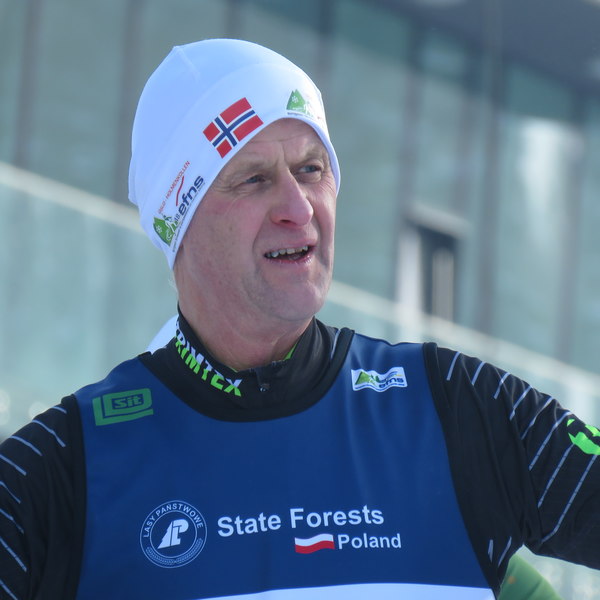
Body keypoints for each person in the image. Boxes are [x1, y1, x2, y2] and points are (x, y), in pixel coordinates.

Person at [0, 39, 598, 600]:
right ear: (178, 220)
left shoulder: (453, 407)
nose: (297, 207)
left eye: (312, 169)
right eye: (254, 179)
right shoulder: (63, 471)